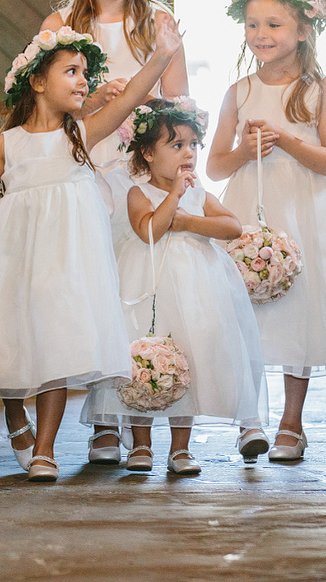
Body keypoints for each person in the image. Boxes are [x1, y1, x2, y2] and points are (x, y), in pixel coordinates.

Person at [0, 18, 182, 482]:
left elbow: (133, 97)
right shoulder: (8, 142)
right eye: (70, 72)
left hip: (65, 260)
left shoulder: (81, 135)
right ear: (37, 82)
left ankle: (44, 448)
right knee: (3, 333)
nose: (83, 81)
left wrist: (160, 57)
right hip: (11, 254)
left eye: (84, 72)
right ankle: (16, 417)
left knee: (55, 341)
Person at [207, 0, 326, 462]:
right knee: (244, 309)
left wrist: (287, 140)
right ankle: (249, 419)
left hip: (309, 207)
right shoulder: (239, 91)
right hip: (251, 203)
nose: (260, 33)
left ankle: (292, 422)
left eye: (273, 23)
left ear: (303, 30)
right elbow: (213, 166)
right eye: (252, 24)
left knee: (301, 312)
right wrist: (246, 150)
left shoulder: (319, 89)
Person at [40, 0, 188, 462]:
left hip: (141, 167)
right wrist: (88, 104)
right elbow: (48, 105)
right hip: (85, 170)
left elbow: (178, 101)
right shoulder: (62, 26)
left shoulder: (159, 23)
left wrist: (141, 101)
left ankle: (138, 411)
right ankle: (103, 419)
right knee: (91, 290)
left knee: (135, 290)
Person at [81, 98, 265, 475]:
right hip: (147, 284)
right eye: (177, 145)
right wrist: (175, 199)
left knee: (190, 358)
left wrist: (190, 221)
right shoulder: (138, 192)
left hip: (196, 290)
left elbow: (232, 227)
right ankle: (142, 444)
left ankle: (180, 448)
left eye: (193, 145)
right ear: (147, 153)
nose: (189, 154)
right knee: (143, 357)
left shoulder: (199, 195)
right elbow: (149, 229)